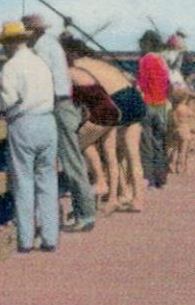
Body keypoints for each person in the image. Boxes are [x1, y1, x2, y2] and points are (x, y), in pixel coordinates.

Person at [24, 14, 97, 233]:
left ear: (33, 31)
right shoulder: (49, 44)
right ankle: (76, 213)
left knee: (70, 160)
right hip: (61, 104)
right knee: (64, 159)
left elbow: (39, 79)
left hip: (58, 105)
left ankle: (85, 214)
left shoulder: (43, 47)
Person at [60, 33, 146, 213]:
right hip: (134, 98)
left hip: (115, 102)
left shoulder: (75, 66)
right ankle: (135, 198)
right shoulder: (98, 61)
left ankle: (106, 187)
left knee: (105, 150)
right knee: (132, 154)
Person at [0, 20, 59, 253]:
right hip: (48, 122)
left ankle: (26, 240)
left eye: (3, 44)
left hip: (24, 123)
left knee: (23, 182)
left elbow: (9, 100)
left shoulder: (11, 66)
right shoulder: (41, 62)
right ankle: (50, 238)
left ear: (10, 44)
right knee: (48, 181)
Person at [137, 29, 172, 189]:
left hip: (147, 103)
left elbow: (142, 83)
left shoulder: (144, 60)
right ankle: (161, 179)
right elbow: (167, 83)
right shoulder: (162, 60)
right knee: (159, 142)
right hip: (162, 105)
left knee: (146, 143)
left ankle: (149, 179)